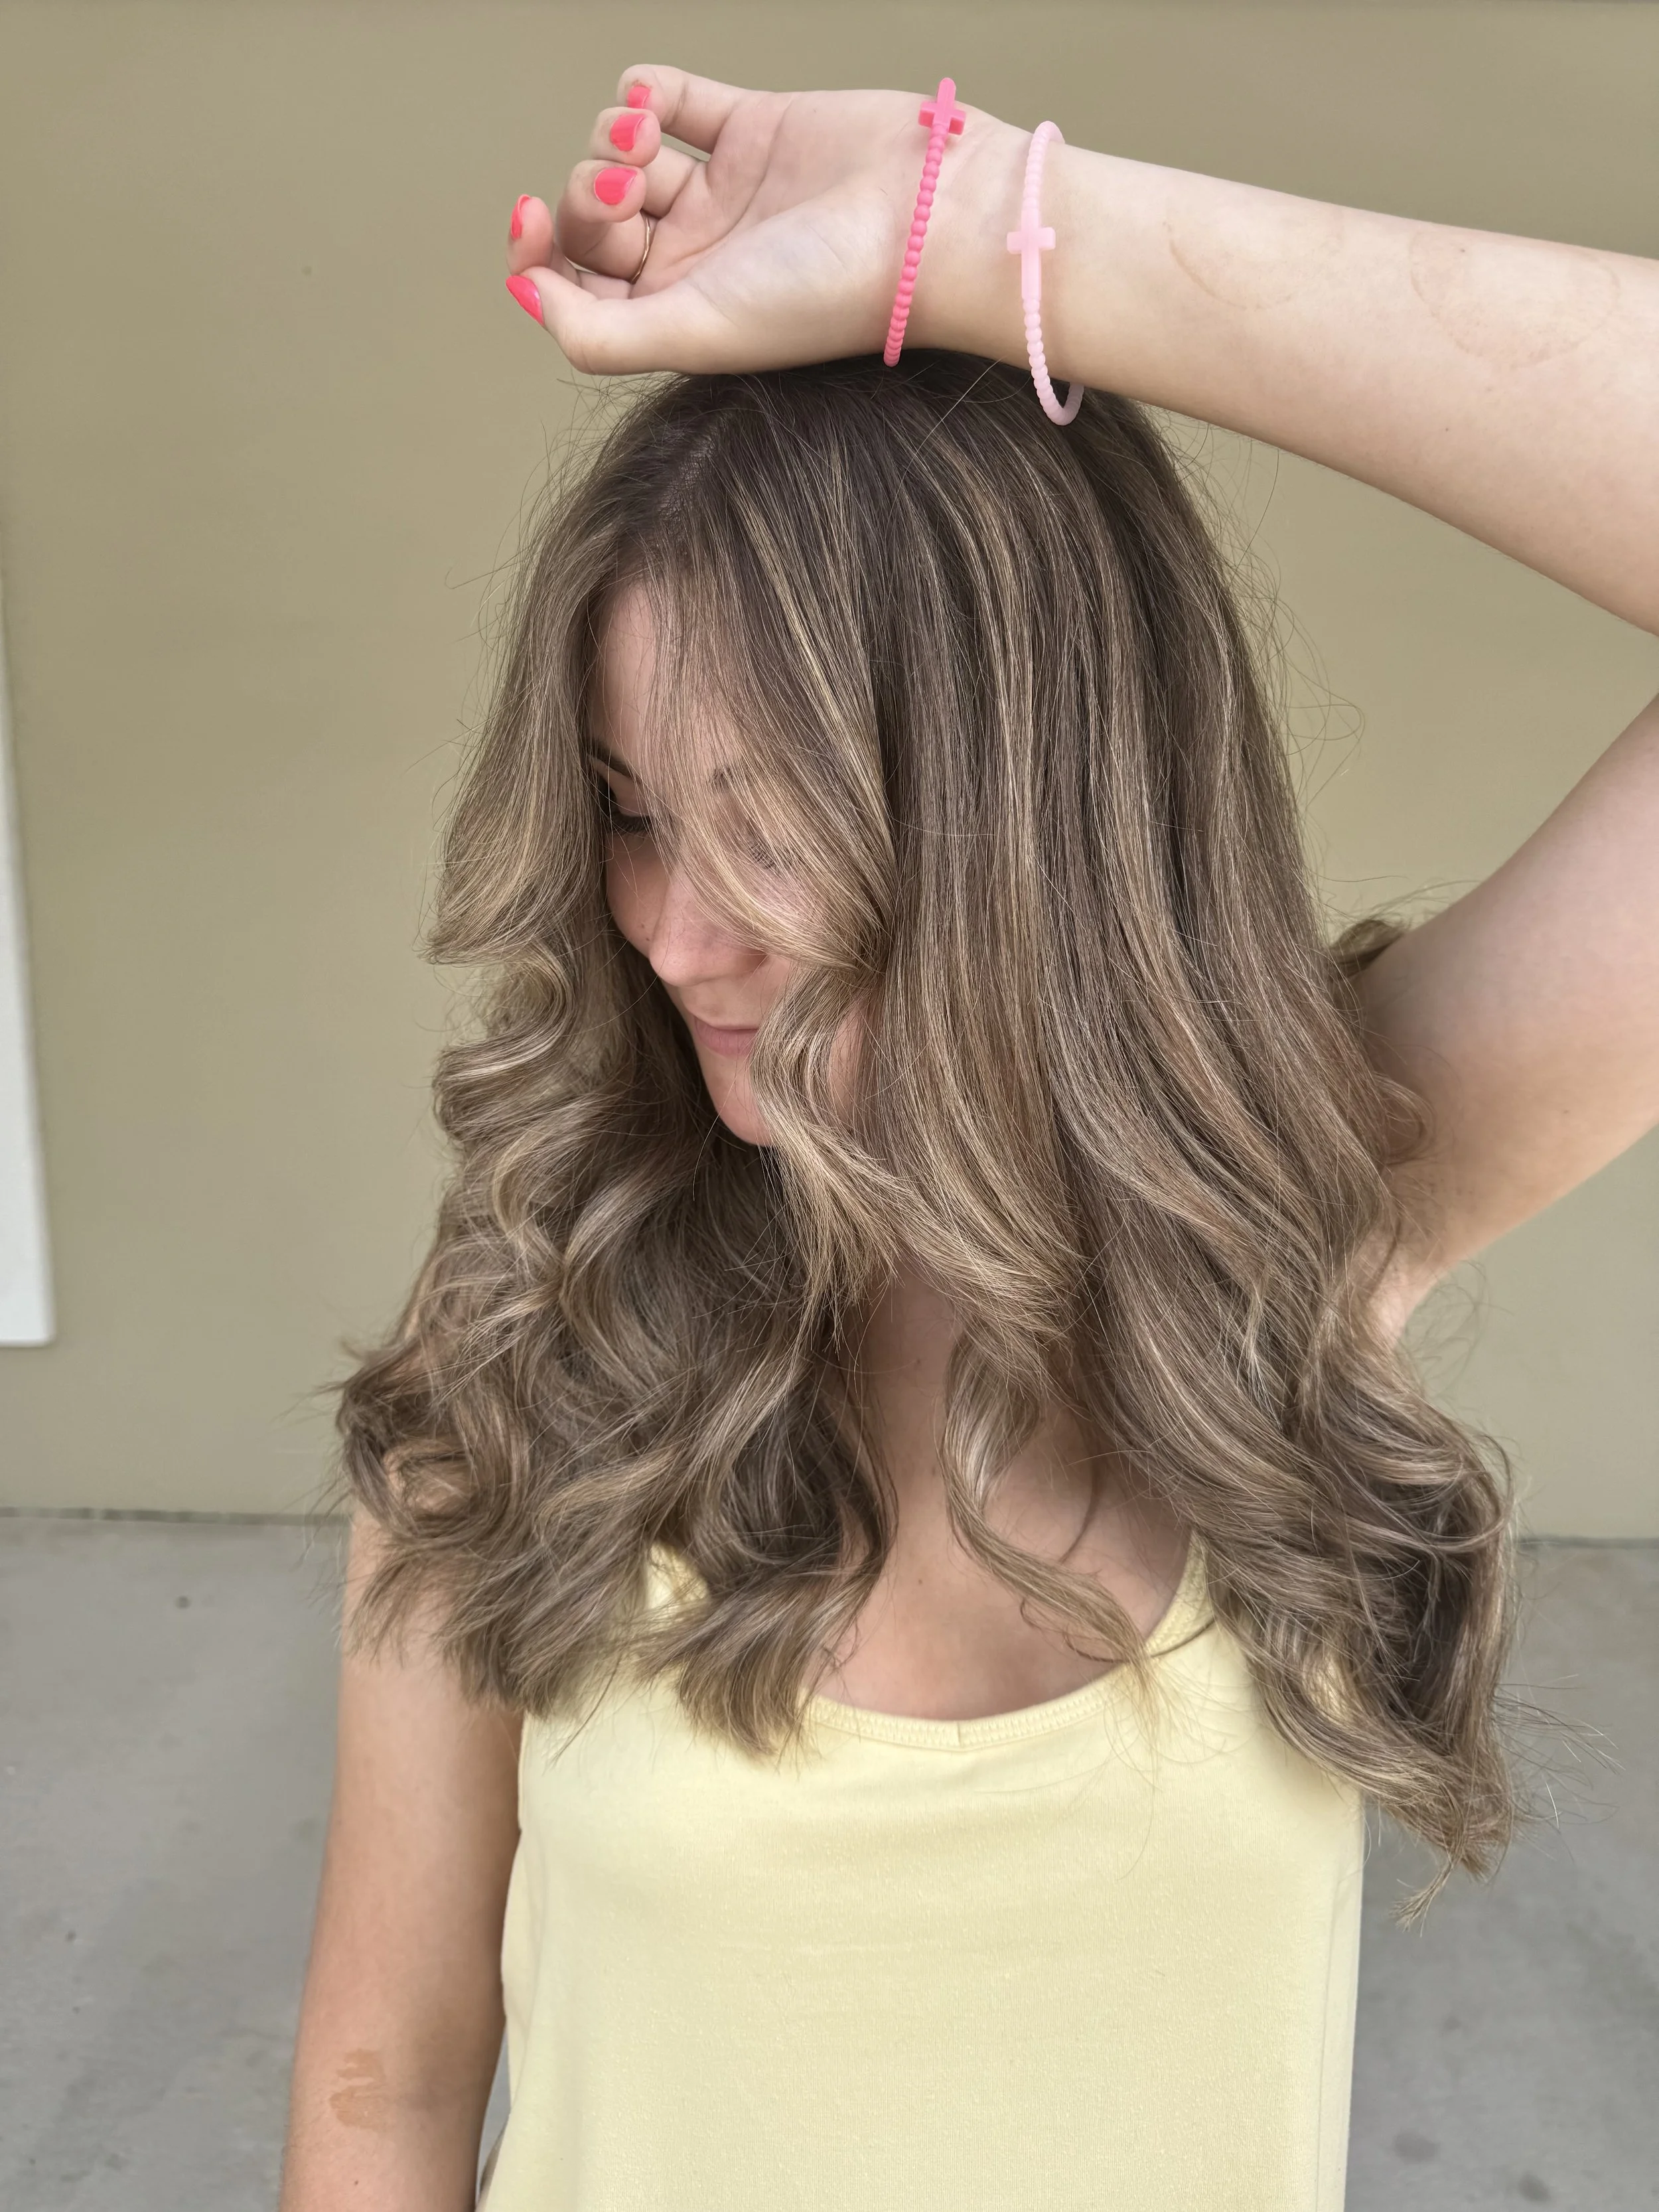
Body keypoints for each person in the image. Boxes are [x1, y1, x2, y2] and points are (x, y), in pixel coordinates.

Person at [276, 62, 1659, 2212]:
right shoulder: (539, 1336)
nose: (673, 934)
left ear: (1039, 821)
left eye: (775, 828)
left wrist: (998, 220)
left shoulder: (1307, 1222)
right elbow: (389, 2072)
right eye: (630, 817)